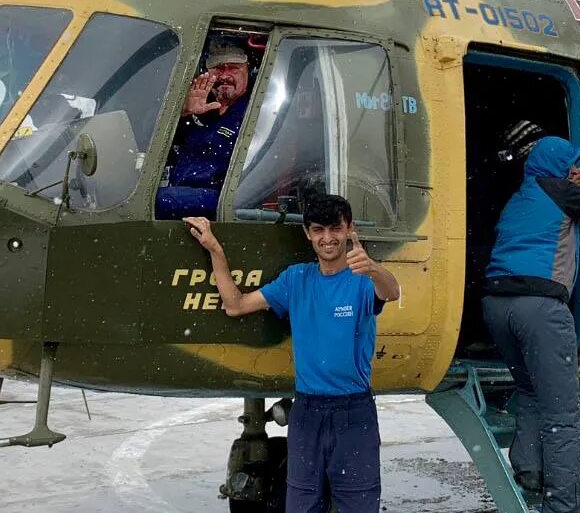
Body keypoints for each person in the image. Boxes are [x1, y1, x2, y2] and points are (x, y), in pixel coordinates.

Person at [184, 194, 401, 513]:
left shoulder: (363, 280)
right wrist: (216, 250)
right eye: (318, 230)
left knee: (360, 504)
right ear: (308, 234)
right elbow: (236, 305)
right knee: (301, 506)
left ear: (348, 229)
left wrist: (373, 269)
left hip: (354, 413)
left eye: (335, 229)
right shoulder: (296, 279)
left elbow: (392, 291)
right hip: (308, 411)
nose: (328, 239)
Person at [482, 123, 580, 513]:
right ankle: (562, 505)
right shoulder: (562, 192)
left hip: (497, 305)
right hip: (539, 308)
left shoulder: (523, 196)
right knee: (562, 413)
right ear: (559, 168)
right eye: (571, 165)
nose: (575, 170)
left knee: (529, 390)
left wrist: (569, 184)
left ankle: (529, 472)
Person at [155, 37, 253, 219]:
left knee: (157, 201)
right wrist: (182, 113)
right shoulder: (198, 108)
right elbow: (155, 145)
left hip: (223, 201)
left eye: (233, 68)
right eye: (218, 68)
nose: (224, 75)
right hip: (178, 194)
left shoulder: (255, 113)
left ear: (249, 71)